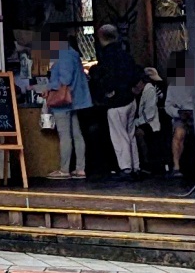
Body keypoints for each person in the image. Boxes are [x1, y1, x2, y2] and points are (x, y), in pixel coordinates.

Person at [95, 24, 143, 179]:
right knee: (130, 135)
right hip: (130, 98)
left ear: (101, 37)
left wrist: (107, 92)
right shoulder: (125, 54)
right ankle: (136, 166)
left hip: (116, 101)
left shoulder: (106, 56)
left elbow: (105, 77)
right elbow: (136, 73)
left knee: (119, 135)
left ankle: (126, 168)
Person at [44, 33, 92, 180]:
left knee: (65, 135)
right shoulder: (73, 54)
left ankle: (64, 169)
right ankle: (80, 169)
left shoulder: (63, 54)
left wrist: (49, 86)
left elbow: (65, 78)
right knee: (77, 134)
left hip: (63, 101)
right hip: (75, 100)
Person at [165, 51, 195, 179]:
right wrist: (178, 113)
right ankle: (176, 167)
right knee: (179, 133)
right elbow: (168, 105)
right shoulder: (173, 85)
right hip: (181, 116)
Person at [132, 68, 164, 174]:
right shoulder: (139, 92)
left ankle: (146, 163)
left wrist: (135, 123)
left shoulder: (150, 90)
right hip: (141, 121)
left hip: (149, 123)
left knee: (138, 134)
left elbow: (149, 114)